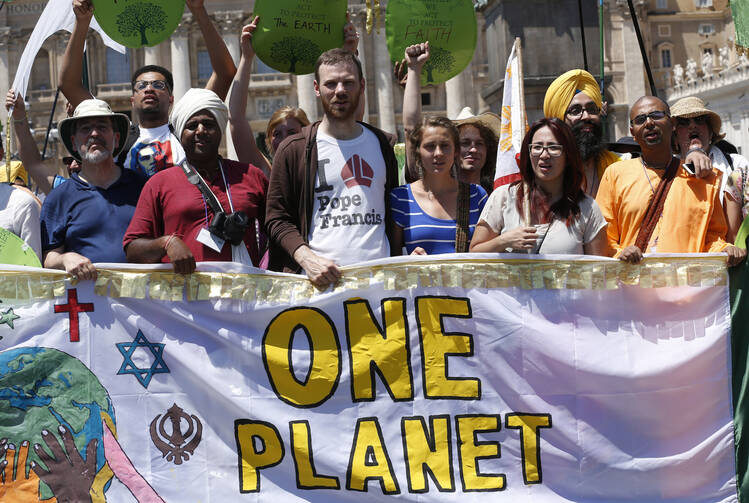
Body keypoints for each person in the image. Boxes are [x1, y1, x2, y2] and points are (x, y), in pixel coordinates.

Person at [265, 48, 398, 288]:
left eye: (348, 83)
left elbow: (393, 210)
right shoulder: (293, 150)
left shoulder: (383, 144)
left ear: (362, 85)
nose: (340, 91)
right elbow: (277, 219)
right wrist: (307, 259)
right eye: (331, 84)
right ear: (316, 88)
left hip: (380, 285)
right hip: (319, 287)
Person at [60, 0, 236, 177]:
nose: (149, 89)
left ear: (171, 98)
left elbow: (225, 74)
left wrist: (199, 11)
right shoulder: (117, 137)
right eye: (141, 86)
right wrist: (81, 22)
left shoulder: (187, 131)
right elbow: (69, 84)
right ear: (132, 100)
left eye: (158, 85)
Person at [124, 89, 268, 274]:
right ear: (181, 133)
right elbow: (132, 250)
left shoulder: (250, 175)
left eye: (208, 124)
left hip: (244, 296)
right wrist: (167, 243)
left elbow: (279, 229)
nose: (201, 131)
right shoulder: (159, 184)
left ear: (220, 129)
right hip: (185, 298)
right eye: (192, 126)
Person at [595, 95, 745, 265]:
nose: (649, 122)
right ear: (633, 133)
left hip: (685, 286)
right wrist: (621, 253)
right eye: (640, 119)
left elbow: (712, 239)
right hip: (633, 284)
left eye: (657, 115)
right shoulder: (615, 173)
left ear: (672, 125)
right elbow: (603, 237)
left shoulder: (704, 179)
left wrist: (724, 249)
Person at [228, 16, 357, 169]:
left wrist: (349, 54)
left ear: (307, 137)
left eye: (291, 133)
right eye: (277, 135)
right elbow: (235, 119)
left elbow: (349, 114)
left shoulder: (324, 167)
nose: (285, 140)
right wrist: (246, 58)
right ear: (269, 142)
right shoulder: (266, 173)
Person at [40, 99, 145, 280]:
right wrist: (65, 259)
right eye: (85, 129)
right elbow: (47, 258)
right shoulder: (59, 198)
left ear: (117, 139)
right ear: (73, 143)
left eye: (102, 127)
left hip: (140, 303)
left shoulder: (144, 187)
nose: (94, 133)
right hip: (89, 305)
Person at [470, 118, 607, 255]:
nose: (544, 155)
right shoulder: (503, 197)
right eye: (537, 147)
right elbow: (474, 252)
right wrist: (504, 241)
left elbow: (598, 270)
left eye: (554, 148)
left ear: (568, 156)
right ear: (528, 154)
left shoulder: (587, 208)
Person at [401, 43, 499, 192]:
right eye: (465, 143)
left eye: (479, 144)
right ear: (454, 150)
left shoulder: (497, 194)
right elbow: (411, 129)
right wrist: (414, 68)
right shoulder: (433, 188)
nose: (473, 149)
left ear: (488, 150)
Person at [391, 117, 487, 255]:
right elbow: (392, 259)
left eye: (445, 145)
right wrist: (408, 261)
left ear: (456, 151)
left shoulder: (476, 195)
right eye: (430, 146)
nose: (438, 153)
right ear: (418, 151)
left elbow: (488, 254)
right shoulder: (400, 198)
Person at [671, 96, 749, 243]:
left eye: (699, 120)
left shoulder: (737, 164)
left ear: (711, 132)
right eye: (684, 122)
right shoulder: (667, 171)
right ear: (674, 137)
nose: (692, 126)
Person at [543, 69, 622, 197]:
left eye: (592, 109)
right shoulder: (545, 173)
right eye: (575, 111)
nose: (586, 116)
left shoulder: (619, 166)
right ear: (558, 119)